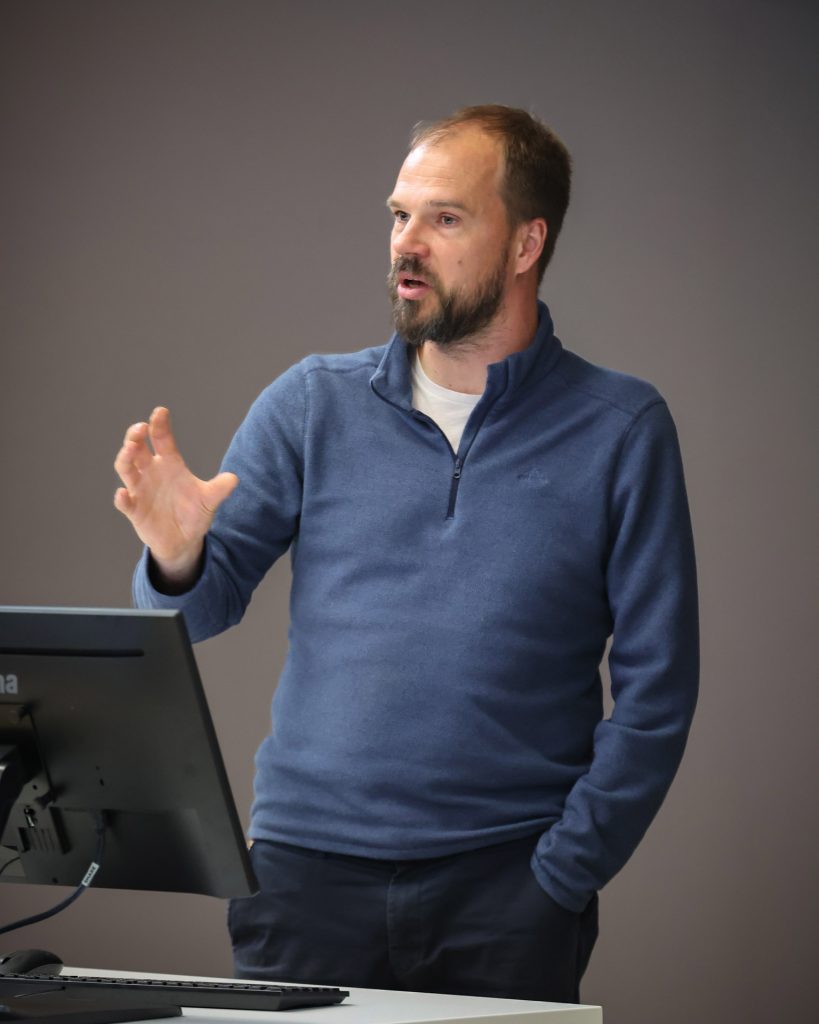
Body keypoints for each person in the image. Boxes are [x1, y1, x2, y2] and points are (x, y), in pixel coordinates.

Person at [114, 105, 698, 1003]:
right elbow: (194, 615)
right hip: (303, 880)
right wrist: (177, 557)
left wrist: (562, 875)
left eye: (445, 218)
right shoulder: (312, 402)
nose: (406, 244)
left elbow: (659, 689)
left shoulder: (620, 428)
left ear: (526, 243)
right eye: (399, 215)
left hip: (507, 889)